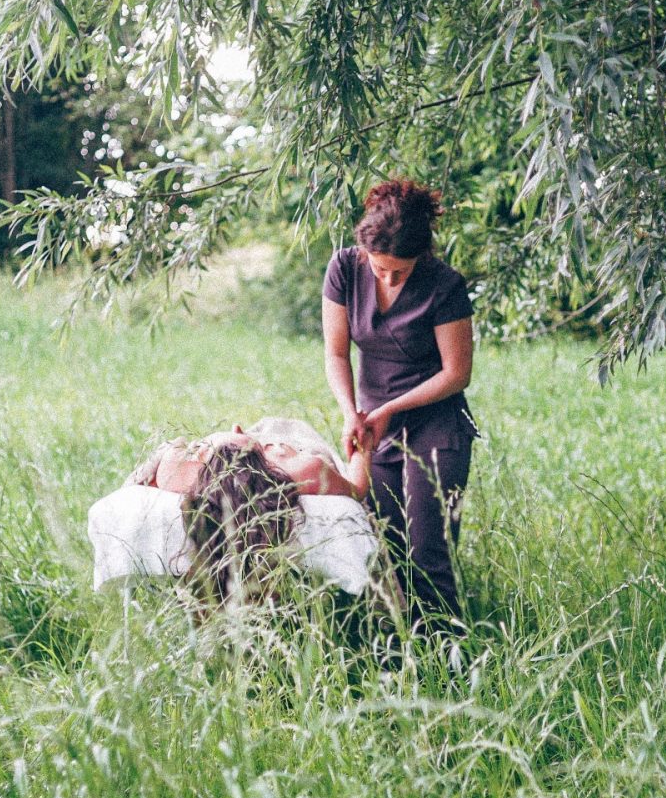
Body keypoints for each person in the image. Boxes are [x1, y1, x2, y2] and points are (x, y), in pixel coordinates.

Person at [322, 179, 478, 627]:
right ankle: (394, 653)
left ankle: (447, 661)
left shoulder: (445, 284)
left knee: (430, 553)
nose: (387, 278)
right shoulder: (344, 269)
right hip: (373, 428)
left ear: (421, 257)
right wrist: (352, 412)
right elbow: (335, 352)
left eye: (400, 272)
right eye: (379, 268)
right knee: (382, 548)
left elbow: (457, 373)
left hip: (434, 425)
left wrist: (390, 409)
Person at [124, 424, 373, 606]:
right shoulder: (302, 468)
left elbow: (172, 447)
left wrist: (180, 449)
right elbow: (357, 488)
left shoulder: (180, 473)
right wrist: (363, 445)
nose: (239, 427)